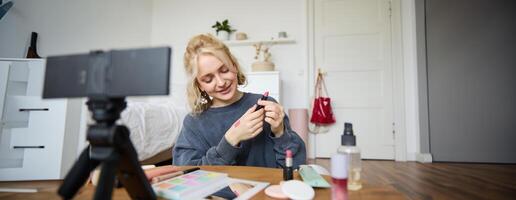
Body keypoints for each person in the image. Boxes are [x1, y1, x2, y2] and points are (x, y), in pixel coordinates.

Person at [172, 34, 306, 169]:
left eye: (224, 70)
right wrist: (230, 140)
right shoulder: (194, 122)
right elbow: (187, 175)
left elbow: (295, 167)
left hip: (269, 188)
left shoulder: (267, 106)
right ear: (199, 85)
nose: (221, 82)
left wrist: (280, 132)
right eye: (208, 79)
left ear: (234, 66)